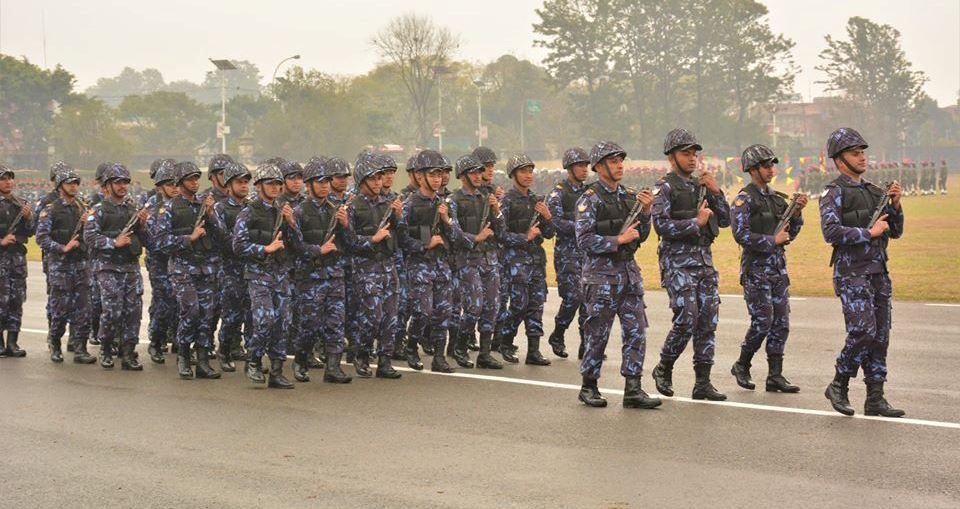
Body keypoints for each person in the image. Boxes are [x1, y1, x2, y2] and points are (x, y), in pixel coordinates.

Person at [820, 127, 905, 417]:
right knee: (862, 331)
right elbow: (830, 232)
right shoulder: (833, 193)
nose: (862, 158)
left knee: (880, 335)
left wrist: (896, 205)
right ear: (839, 160)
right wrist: (868, 232)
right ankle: (838, 383)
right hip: (851, 271)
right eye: (855, 153)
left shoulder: (874, 191)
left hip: (878, 270)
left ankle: (875, 397)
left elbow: (895, 231)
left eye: (863, 153)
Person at [574, 142, 660, 408]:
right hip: (601, 278)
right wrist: (617, 239)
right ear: (599, 167)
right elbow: (584, 240)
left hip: (628, 275)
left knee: (636, 332)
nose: (620, 166)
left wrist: (646, 213)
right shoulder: (589, 199)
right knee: (597, 334)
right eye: (613, 162)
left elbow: (641, 235)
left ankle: (633, 388)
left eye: (621, 161)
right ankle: (589, 385)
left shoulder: (629, 196)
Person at [650, 128, 730, 401]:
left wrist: (717, 192)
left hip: (704, 261)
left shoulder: (701, 185)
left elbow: (727, 220)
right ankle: (664, 366)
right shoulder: (664, 187)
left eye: (695, 153)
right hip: (677, 262)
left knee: (708, 321)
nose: (692, 158)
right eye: (686, 153)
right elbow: (660, 225)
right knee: (686, 318)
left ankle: (703, 382)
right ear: (671, 157)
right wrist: (694, 223)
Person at [729, 144, 807, 393]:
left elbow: (789, 234)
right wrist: (771, 241)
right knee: (763, 321)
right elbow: (740, 235)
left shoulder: (776, 199)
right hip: (756, 270)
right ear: (752, 169)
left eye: (772, 165)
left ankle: (775, 375)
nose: (771, 169)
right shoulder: (744, 199)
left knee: (781, 323)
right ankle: (742, 364)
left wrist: (796, 215)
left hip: (777, 269)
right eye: (765, 165)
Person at [287, 160, 354, 383]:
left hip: (334, 275)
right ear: (309, 184)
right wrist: (318, 249)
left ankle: (333, 368)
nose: (324, 186)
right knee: (309, 325)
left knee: (335, 323)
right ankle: (301, 360)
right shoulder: (298, 212)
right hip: (310, 277)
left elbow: (350, 243)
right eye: (319, 181)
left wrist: (346, 226)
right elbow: (295, 247)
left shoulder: (337, 211)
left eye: (327, 181)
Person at [232, 163, 296, 389]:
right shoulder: (248, 213)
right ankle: (254, 359)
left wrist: (291, 223)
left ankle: (277, 370)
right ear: (259, 186)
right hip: (258, 274)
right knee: (265, 319)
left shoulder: (283, 211)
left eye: (279, 184)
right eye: (271, 183)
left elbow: (296, 245)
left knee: (283, 321)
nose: (276, 187)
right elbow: (238, 246)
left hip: (280, 273)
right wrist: (263, 249)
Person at [82, 163, 147, 370]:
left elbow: (146, 240)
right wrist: (113, 243)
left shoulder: (132, 210)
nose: (122, 186)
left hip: (130, 267)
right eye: (118, 182)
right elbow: (89, 237)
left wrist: (144, 225)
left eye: (125, 182)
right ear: (107, 186)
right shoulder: (99, 210)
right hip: (108, 267)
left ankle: (128, 352)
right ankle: (106, 348)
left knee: (133, 311)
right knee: (112, 310)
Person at [344, 156, 404, 378]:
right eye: (373, 178)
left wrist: (398, 217)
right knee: (373, 316)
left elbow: (401, 235)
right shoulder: (352, 207)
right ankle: (361, 352)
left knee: (390, 316)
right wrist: (372, 239)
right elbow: (349, 242)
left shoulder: (389, 203)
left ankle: (385, 361)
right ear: (362, 180)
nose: (379, 182)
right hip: (366, 267)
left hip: (388, 265)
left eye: (380, 178)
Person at [400, 149, 459, 372]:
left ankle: (439, 357)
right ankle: (412, 346)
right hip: (419, 265)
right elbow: (402, 239)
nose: (437, 179)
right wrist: (425, 245)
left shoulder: (446, 204)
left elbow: (456, 237)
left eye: (439, 175)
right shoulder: (409, 204)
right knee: (422, 311)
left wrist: (446, 220)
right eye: (432, 175)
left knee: (443, 311)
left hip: (441, 265)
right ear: (420, 176)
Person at [495, 154, 555, 366]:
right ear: (513, 175)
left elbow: (548, 234)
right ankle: (506, 341)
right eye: (523, 171)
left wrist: (548, 217)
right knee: (519, 305)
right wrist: (524, 237)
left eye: (530, 171)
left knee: (536, 306)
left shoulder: (536, 201)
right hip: (515, 262)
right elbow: (500, 235)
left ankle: (534, 351)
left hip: (536, 260)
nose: (528, 175)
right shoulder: (506, 202)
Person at [447, 154, 505, 369]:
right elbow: (452, 232)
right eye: (473, 172)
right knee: (474, 307)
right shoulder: (453, 200)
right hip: (468, 260)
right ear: (462, 176)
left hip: (489, 259)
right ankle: (460, 347)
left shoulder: (486, 198)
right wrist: (475, 238)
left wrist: (497, 210)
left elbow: (501, 231)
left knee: (492, 307)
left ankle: (485, 353)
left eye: (480, 172)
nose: (479, 176)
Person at [35, 167, 96, 364]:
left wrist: (88, 224)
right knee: (59, 309)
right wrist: (63, 247)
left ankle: (80, 347)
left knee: (83, 309)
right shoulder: (50, 210)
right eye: (70, 183)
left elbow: (92, 237)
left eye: (76, 183)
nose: (74, 186)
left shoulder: (83, 208)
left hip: (81, 265)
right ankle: (55, 343)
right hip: (60, 267)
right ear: (60, 186)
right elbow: (41, 239)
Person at [546, 147, 590, 359]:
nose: (584, 169)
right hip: (567, 253)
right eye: (580, 165)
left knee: (588, 300)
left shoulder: (588, 193)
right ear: (569, 168)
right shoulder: (558, 193)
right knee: (573, 297)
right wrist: (581, 225)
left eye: (586, 165)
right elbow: (554, 222)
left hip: (587, 253)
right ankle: (558, 333)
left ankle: (586, 343)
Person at [212, 162, 253, 372]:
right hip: (229, 268)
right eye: (239, 182)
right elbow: (223, 239)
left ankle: (250, 355)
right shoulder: (220, 208)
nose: (244, 186)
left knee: (252, 314)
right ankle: (225, 349)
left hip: (250, 268)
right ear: (228, 185)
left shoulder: (250, 207)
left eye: (246, 182)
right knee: (232, 314)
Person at [143, 159, 179, 364]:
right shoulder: (153, 207)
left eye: (176, 184)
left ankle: (176, 338)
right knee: (164, 302)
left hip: (179, 260)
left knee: (180, 302)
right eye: (170, 184)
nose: (174, 188)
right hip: (160, 262)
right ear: (160, 187)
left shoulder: (182, 205)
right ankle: (156, 341)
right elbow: (153, 240)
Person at [0, 163, 33, 358]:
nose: (8, 182)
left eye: (10, 178)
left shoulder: (20, 203)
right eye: (4, 178)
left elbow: (32, 231)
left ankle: (13, 342)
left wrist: (28, 218)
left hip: (17, 260)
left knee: (16, 301)